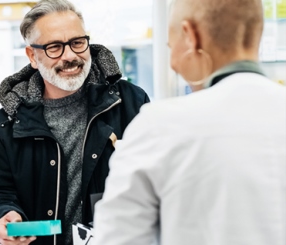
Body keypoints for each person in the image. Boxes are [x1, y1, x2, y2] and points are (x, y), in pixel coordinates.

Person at [93, 0, 286, 244]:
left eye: (170, 45)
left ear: (190, 35)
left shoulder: (160, 125)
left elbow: (118, 238)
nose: (173, 62)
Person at [0, 0, 150, 244]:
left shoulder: (130, 102)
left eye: (77, 42)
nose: (70, 56)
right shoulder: (6, 122)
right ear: (32, 55)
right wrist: (3, 215)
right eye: (55, 47)